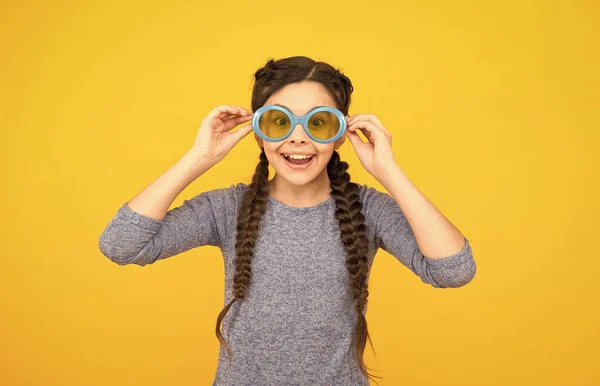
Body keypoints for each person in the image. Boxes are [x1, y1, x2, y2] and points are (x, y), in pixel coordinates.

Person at [98, 56, 476, 386]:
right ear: (259, 133)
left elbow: (453, 270)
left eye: (319, 123)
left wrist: (389, 172)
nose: (298, 138)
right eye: (279, 122)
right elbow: (121, 245)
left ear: (342, 134)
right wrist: (200, 158)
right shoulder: (228, 208)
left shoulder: (369, 210)